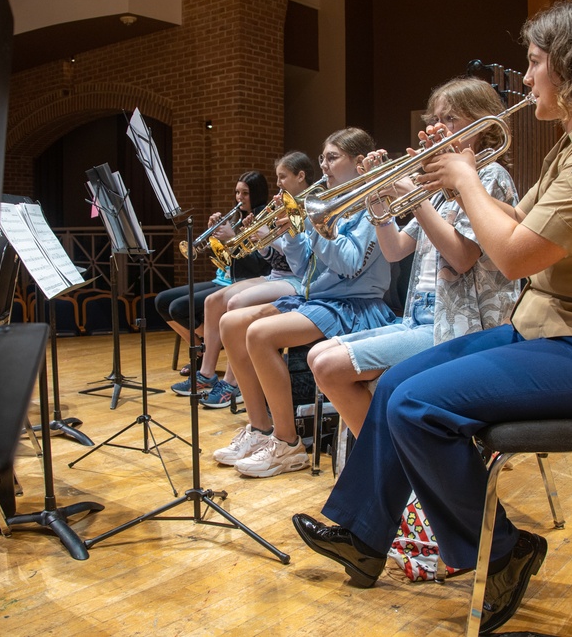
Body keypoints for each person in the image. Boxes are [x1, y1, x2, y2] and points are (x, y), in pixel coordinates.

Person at [292, 0, 572, 635]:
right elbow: (519, 227)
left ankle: (506, 550)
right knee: (400, 385)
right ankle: (363, 535)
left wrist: (465, 179)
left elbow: (513, 258)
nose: (527, 78)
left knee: (415, 405)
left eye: (536, 63)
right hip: (548, 335)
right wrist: (431, 184)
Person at [307, 77, 521, 437]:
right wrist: (377, 195)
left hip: (459, 326)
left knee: (330, 365)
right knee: (318, 356)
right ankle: (397, 463)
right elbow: (394, 250)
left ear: (483, 124)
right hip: (419, 316)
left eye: (450, 118)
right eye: (435, 119)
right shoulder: (439, 186)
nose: (438, 128)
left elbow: (462, 257)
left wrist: (415, 195)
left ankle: (392, 466)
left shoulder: (489, 176)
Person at [212, 128, 396, 477]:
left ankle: (287, 442)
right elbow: (302, 266)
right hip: (317, 299)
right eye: (322, 158)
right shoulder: (329, 202)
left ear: (360, 163)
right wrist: (295, 233)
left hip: (354, 306)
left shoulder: (370, 204)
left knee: (260, 334)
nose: (323, 165)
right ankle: (259, 428)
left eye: (332, 157)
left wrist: (312, 224)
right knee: (230, 323)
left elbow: (348, 263)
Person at [170, 152, 315, 408]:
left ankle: (232, 384)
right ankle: (206, 374)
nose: (278, 183)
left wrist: (266, 236)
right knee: (214, 301)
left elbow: (298, 258)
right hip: (277, 274)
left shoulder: (310, 205)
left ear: (300, 176)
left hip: (298, 278)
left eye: (283, 177)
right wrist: (259, 240)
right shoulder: (282, 204)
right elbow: (270, 256)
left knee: (236, 304)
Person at [153, 171, 270, 376]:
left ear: (257, 194)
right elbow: (224, 256)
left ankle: (212, 344)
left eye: (245, 193)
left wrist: (232, 238)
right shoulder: (237, 217)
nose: (239, 198)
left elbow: (258, 266)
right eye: (237, 192)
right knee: (162, 301)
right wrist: (215, 235)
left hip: (240, 282)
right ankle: (200, 348)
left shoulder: (262, 220)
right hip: (222, 278)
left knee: (178, 308)